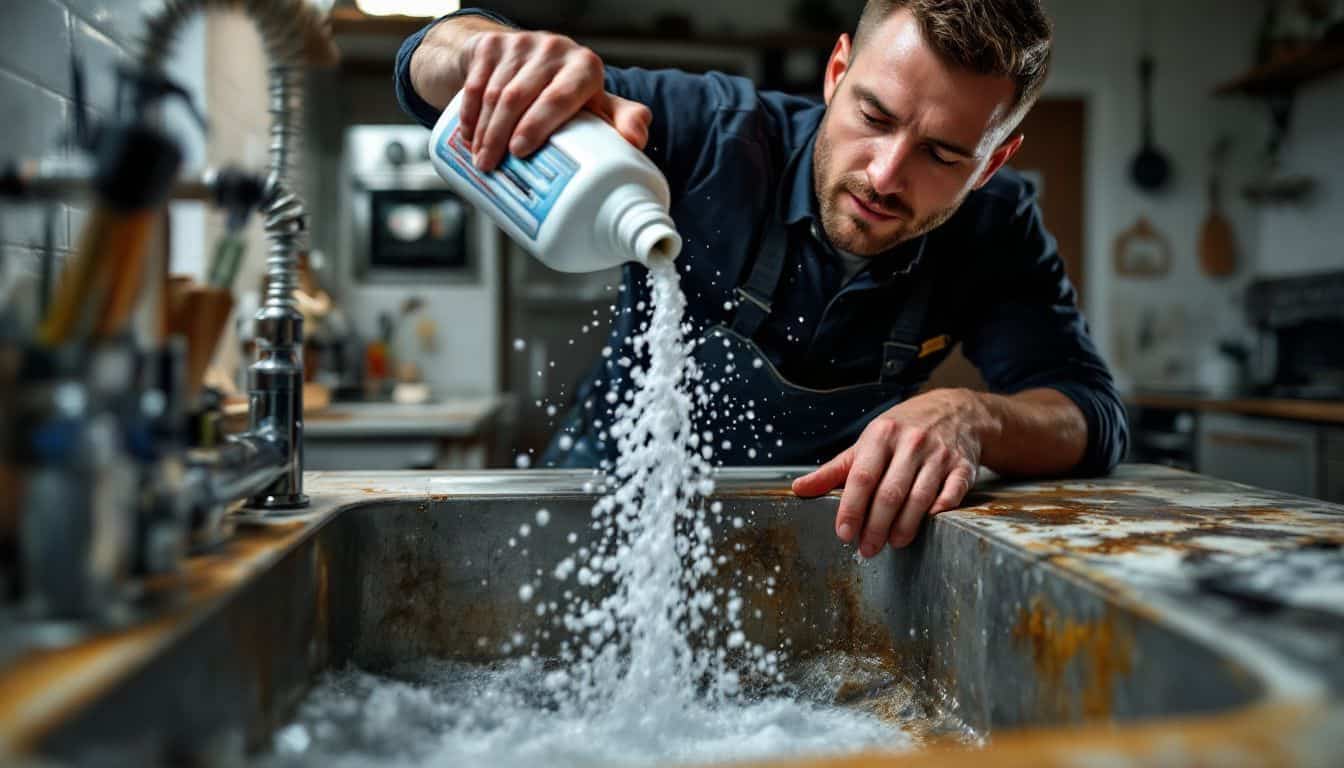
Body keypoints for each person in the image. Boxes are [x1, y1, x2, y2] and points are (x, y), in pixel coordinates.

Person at [394, 0, 1128, 557]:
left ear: (993, 162)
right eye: (873, 115)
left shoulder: (996, 229)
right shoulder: (710, 131)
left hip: (815, 542)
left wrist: (975, 417)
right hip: (601, 509)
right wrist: (482, 51)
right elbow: (423, 69)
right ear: (837, 73)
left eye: (942, 155)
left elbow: (1091, 415)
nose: (885, 174)